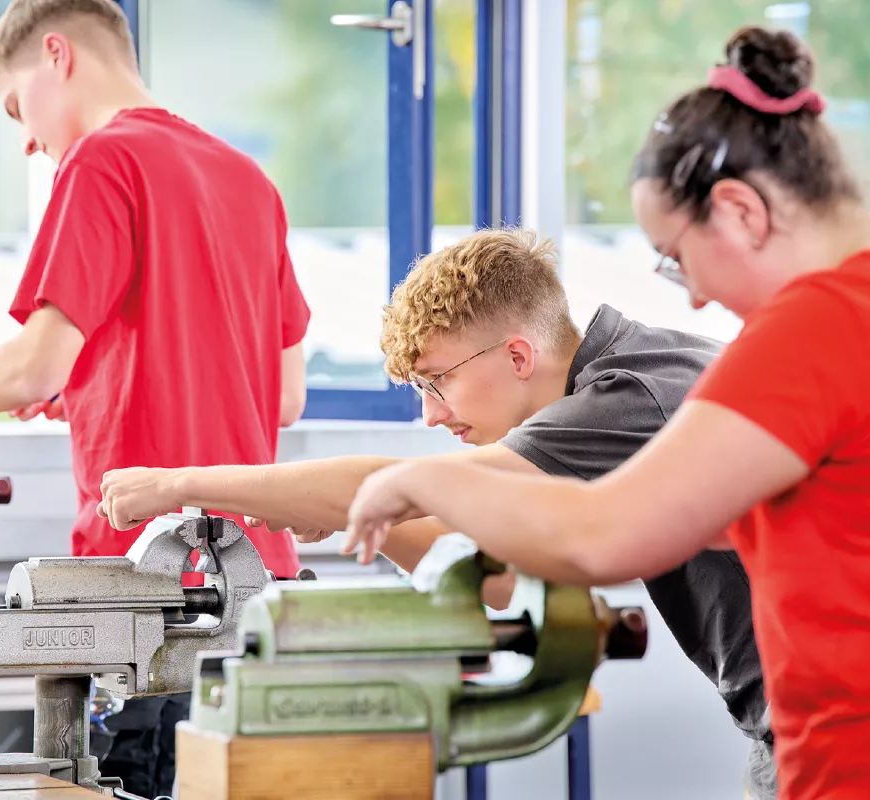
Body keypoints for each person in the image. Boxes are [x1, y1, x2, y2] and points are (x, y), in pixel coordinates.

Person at [341, 26, 870, 800]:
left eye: (676, 257)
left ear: (741, 211)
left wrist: (422, 485)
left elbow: (602, 536)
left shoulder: (808, 330)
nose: (690, 295)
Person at [0, 0, 311, 795]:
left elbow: (33, 369)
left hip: (146, 593)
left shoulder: (104, 160)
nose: (26, 138)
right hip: (254, 588)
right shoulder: (249, 179)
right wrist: (99, 388)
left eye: (17, 105)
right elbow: (282, 398)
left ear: (56, 54)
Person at [97, 226, 777, 798]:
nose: (430, 413)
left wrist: (175, 482)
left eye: (437, 381)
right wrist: (371, 517)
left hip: (834, 724)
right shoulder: (631, 376)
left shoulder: (625, 397)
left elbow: (407, 482)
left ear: (517, 354)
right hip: (797, 718)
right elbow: (503, 577)